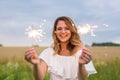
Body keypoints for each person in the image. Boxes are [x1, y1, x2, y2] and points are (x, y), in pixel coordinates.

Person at [24, 16, 97, 80]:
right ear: (55, 32)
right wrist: (36, 64)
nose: (63, 32)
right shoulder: (48, 52)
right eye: (59, 29)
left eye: (67, 28)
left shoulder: (82, 53)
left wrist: (81, 64)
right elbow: (39, 78)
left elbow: (83, 78)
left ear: (72, 30)